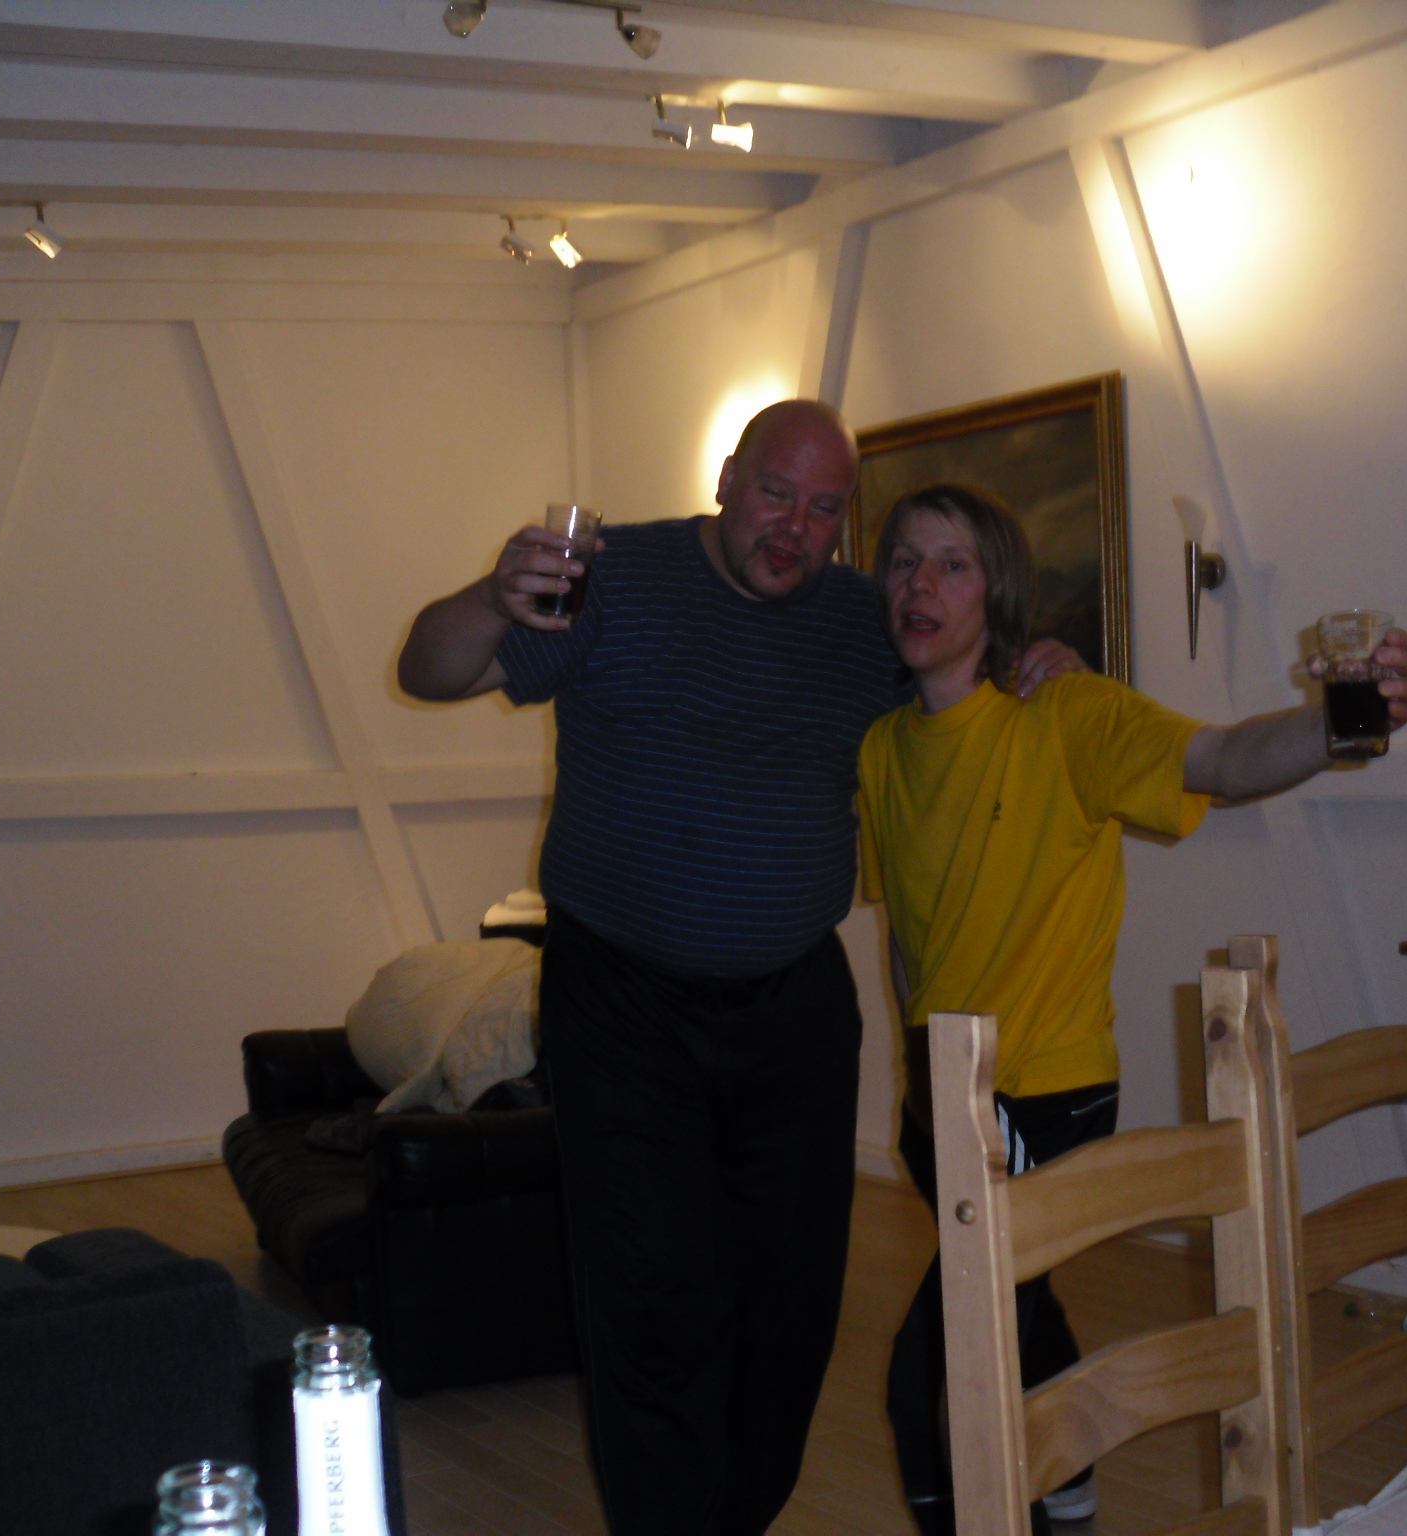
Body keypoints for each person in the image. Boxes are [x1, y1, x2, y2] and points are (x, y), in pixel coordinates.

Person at [395, 402, 1082, 1536]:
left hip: (792, 1008)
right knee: (647, 1294)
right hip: (622, 1005)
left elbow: (967, 682)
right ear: (725, 478)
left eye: (824, 509)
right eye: (775, 493)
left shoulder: (862, 620)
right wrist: (487, 597)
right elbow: (428, 669)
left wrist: (1041, 662)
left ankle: (736, 1517)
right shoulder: (614, 578)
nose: (794, 528)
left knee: (791, 1301)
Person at [857, 484, 1407, 1536]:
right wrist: (914, 1081)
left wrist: (1345, 723)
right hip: (941, 1098)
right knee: (1022, 1304)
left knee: (931, 1367)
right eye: (901, 562)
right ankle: (1069, 1498)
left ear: (996, 594)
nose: (919, 584)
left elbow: (1223, 760)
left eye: (951, 563)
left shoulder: (1068, 717)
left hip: (1044, 1093)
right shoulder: (883, 751)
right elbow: (907, 939)